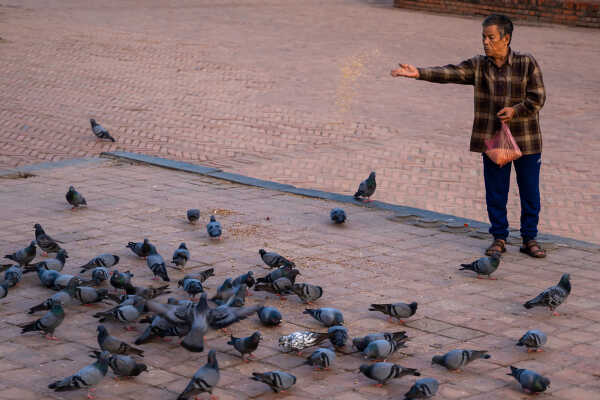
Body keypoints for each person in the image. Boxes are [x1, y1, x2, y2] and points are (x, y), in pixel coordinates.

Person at [391, 14, 546, 258]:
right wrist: (419, 72)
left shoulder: (526, 63)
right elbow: (451, 73)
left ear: (506, 39)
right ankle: (499, 238)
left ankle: (530, 239)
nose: (485, 42)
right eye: (483, 37)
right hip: (494, 140)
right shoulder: (479, 65)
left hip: (526, 140)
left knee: (530, 192)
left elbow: (538, 98)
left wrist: (515, 111)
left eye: (491, 37)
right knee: (496, 191)